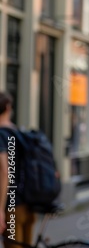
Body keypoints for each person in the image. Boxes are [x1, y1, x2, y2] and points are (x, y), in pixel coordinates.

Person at [0, 91, 37, 247]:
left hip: (12, 208)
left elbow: (4, 172)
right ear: (8, 108)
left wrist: (0, 210)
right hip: (28, 205)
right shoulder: (20, 133)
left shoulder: (1, 135)